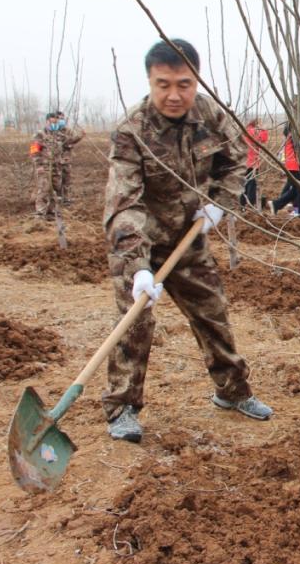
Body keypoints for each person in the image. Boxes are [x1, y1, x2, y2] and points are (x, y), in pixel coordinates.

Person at [102, 38, 273, 443]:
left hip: (190, 236)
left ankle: (232, 392)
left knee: (212, 312)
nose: (174, 94)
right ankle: (122, 407)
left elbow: (236, 159)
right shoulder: (131, 132)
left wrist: (220, 204)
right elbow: (123, 205)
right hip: (140, 243)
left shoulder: (211, 116)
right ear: (150, 80)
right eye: (163, 84)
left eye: (183, 83)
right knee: (134, 322)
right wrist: (138, 267)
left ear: (195, 80)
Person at [29, 112, 64, 219]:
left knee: (56, 188)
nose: (54, 124)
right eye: (52, 122)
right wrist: (38, 165)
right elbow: (34, 150)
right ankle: (40, 212)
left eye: (56, 122)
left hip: (56, 167)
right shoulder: (40, 134)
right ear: (47, 121)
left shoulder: (58, 135)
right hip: (44, 166)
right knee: (44, 188)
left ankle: (51, 211)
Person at [53, 110, 85, 205]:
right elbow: (67, 141)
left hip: (66, 159)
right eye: (59, 118)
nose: (62, 120)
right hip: (56, 160)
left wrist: (79, 136)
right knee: (57, 180)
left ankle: (66, 199)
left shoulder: (68, 130)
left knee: (67, 179)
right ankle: (57, 198)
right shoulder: (53, 131)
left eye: (63, 118)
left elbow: (72, 140)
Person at [240, 119, 269, 210]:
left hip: (244, 162)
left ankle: (243, 205)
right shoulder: (253, 131)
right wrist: (264, 130)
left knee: (244, 184)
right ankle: (250, 205)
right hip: (252, 162)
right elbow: (263, 139)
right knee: (252, 184)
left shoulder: (245, 130)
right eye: (259, 123)